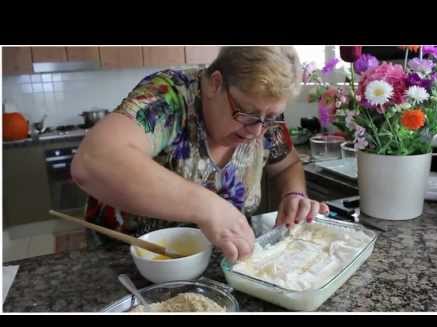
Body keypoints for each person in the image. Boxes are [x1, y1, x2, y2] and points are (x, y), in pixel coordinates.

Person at [71, 46, 329, 262]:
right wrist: (207, 206)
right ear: (215, 84)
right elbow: (93, 161)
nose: (257, 131)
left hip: (221, 264)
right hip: (132, 263)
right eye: (246, 113)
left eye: (271, 118)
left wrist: (294, 194)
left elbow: (287, 164)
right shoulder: (170, 96)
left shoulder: (262, 118)